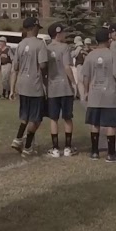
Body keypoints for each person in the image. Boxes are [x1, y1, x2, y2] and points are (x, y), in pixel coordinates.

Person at [81, 28, 116, 162]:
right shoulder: (112, 54)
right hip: (109, 93)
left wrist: (86, 91)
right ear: (108, 39)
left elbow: (85, 76)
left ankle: (94, 152)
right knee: (111, 124)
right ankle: (111, 154)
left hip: (94, 93)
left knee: (95, 123)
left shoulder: (90, 55)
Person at [10, 18, 48, 155]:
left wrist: (12, 88)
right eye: (38, 27)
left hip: (22, 84)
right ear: (32, 28)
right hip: (35, 84)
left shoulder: (20, 45)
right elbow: (43, 64)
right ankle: (27, 147)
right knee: (35, 118)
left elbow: (15, 67)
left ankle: (18, 138)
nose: (39, 30)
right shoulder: (40, 44)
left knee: (25, 115)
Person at [44, 22, 77, 157]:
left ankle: (55, 148)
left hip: (52, 87)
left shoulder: (46, 48)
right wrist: (74, 83)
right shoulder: (65, 47)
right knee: (67, 118)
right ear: (58, 34)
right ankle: (68, 147)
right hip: (65, 87)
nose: (65, 34)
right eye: (63, 32)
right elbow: (67, 66)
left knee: (54, 119)